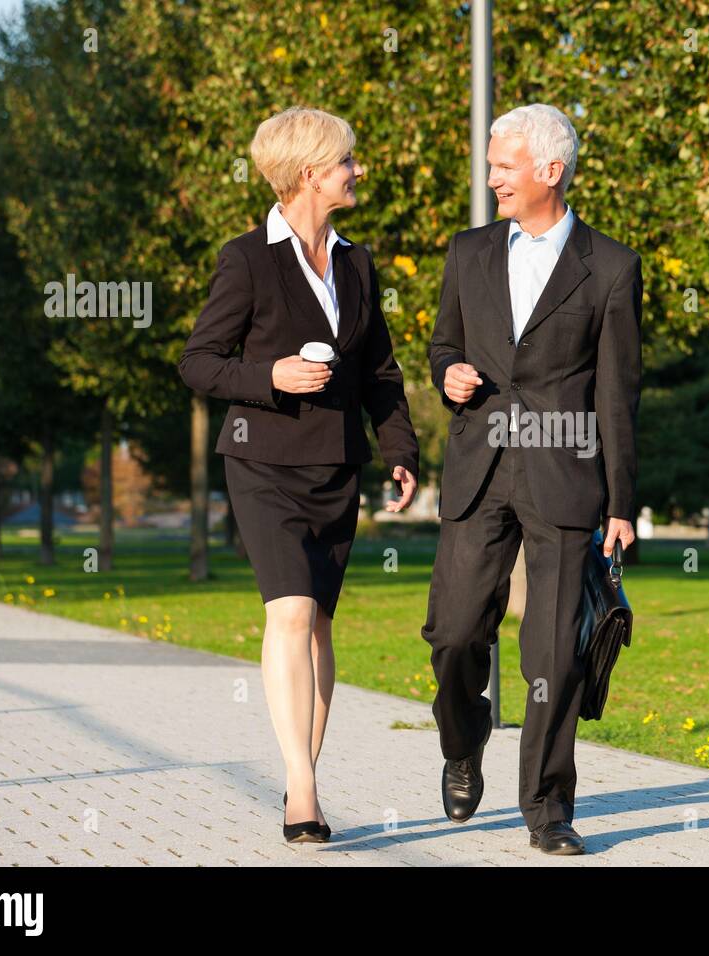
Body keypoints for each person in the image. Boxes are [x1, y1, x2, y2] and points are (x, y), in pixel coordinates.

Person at [178, 106, 419, 845]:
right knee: (286, 610)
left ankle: (299, 774)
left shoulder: (357, 261)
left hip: (335, 466)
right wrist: (270, 375)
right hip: (260, 462)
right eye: (347, 160)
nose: (358, 170)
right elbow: (198, 362)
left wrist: (401, 449)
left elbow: (379, 369)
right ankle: (305, 790)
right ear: (311, 172)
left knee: (317, 622)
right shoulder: (246, 258)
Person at [422, 103, 642, 855]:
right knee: (454, 634)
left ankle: (547, 809)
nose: (491, 181)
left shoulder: (610, 267)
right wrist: (444, 371)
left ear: (550, 171)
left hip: (565, 473)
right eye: (490, 166)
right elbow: (444, 340)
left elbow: (617, 391)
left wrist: (620, 500)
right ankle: (464, 733)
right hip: (478, 464)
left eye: (502, 167)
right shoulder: (468, 251)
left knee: (554, 655)